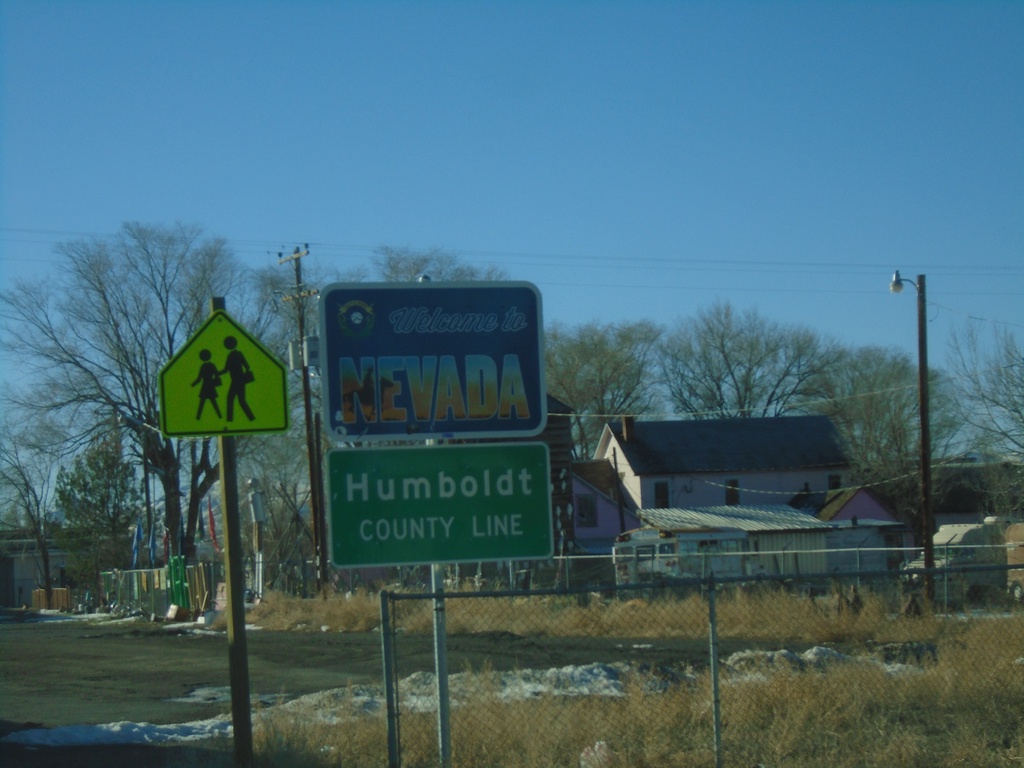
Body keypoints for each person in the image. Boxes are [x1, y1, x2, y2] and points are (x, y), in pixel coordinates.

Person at [220, 336, 256, 421]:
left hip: (237, 381)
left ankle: (230, 420)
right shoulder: (236, 354)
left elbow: (226, 370)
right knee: (240, 400)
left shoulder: (232, 355)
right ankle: (251, 418)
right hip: (239, 381)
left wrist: (217, 373)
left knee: (232, 399)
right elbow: (246, 366)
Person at [191, 349, 222, 419]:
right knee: (213, 403)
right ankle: (220, 417)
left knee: (202, 404)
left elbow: (199, 379)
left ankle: (198, 418)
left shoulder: (203, 366)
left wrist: (192, 385)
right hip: (210, 386)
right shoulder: (211, 365)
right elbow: (217, 375)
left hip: (205, 386)